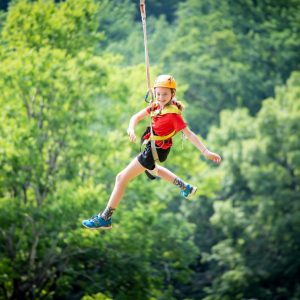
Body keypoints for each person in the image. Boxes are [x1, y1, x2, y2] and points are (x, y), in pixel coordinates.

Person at [82, 75, 221, 229]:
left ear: (173, 94)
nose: (161, 98)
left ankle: (105, 218)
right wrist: (131, 128)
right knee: (155, 170)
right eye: (158, 94)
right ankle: (185, 187)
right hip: (154, 147)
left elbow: (190, 134)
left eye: (165, 94)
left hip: (156, 149)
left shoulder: (173, 115)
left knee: (121, 178)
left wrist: (205, 151)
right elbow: (136, 116)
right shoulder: (156, 106)